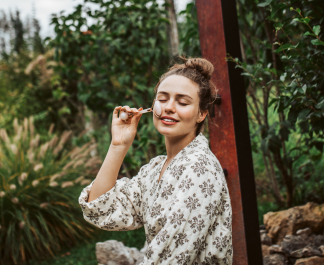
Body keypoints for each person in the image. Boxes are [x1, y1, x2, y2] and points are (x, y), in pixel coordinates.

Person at [78, 57, 233, 265]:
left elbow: (171, 259)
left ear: (201, 114)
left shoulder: (199, 169)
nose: (168, 107)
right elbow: (100, 209)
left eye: (182, 102)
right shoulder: (156, 169)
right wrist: (118, 146)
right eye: (162, 98)